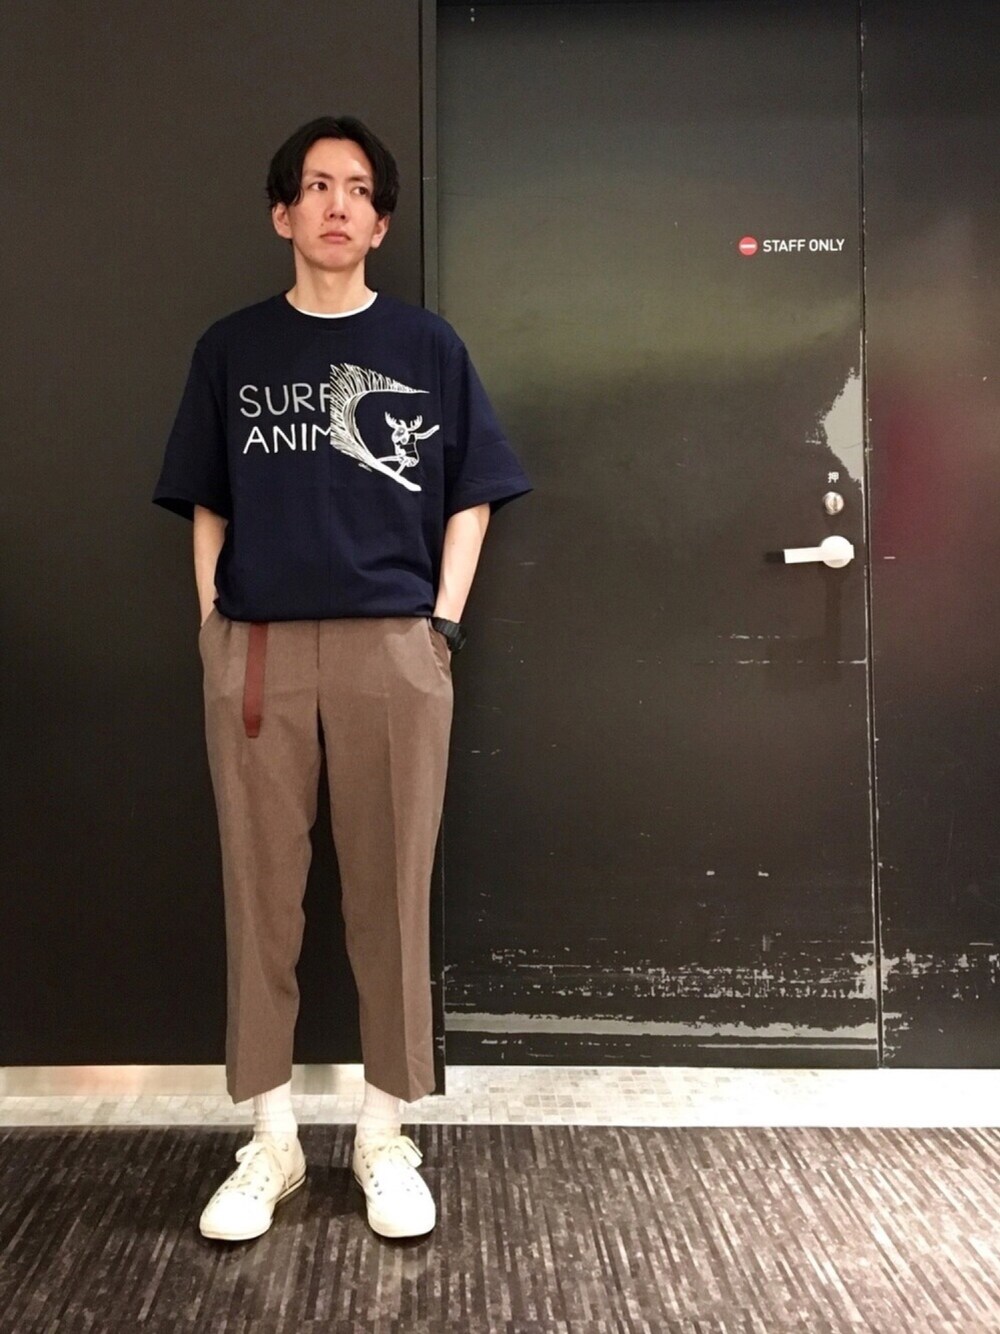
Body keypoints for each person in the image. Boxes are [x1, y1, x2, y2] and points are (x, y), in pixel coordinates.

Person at [152, 114, 531, 1242]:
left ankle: (382, 1134)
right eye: (316, 186)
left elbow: (473, 495)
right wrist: (215, 630)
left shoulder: (426, 346)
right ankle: (270, 1140)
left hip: (393, 649)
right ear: (283, 212)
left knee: (391, 896)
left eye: (357, 189)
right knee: (259, 896)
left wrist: (440, 624)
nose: (336, 205)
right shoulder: (232, 349)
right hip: (259, 650)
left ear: (381, 221)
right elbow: (206, 501)